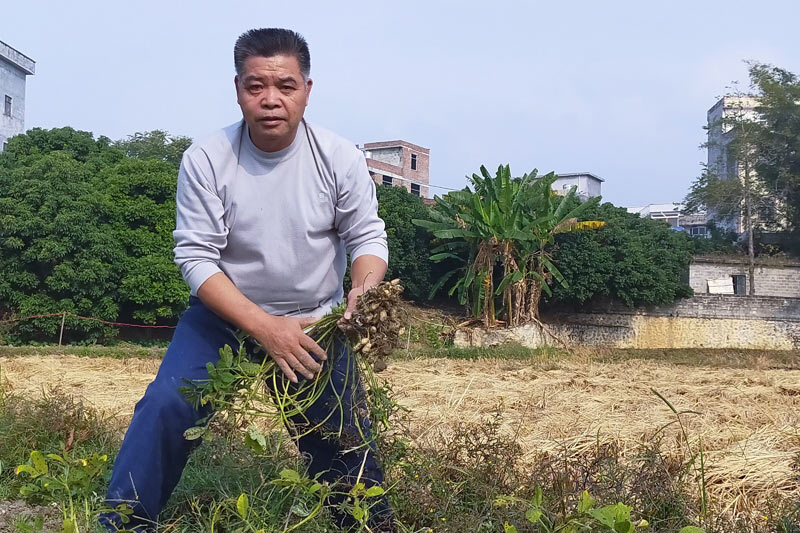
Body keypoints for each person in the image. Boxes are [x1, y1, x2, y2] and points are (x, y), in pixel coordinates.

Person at [100, 28, 394, 531]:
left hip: (314, 324)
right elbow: (195, 258)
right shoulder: (208, 159)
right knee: (167, 403)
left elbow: (367, 237)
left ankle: (366, 525)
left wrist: (362, 295)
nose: (271, 99)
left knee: (341, 437)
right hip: (224, 318)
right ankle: (124, 522)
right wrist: (261, 326)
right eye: (256, 86)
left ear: (307, 88)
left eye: (285, 85)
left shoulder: (338, 156)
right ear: (238, 88)